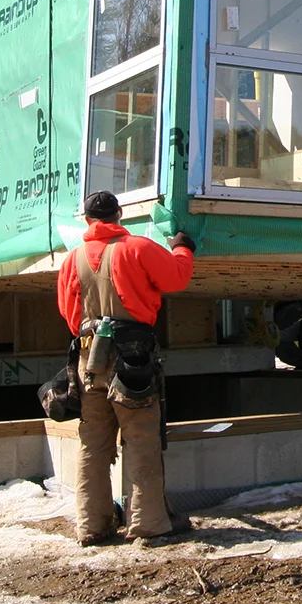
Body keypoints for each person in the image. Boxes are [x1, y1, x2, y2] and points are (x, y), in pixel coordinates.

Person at [57, 190, 196, 547]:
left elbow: (71, 317)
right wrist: (183, 247)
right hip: (132, 359)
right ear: (120, 214)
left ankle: (92, 526)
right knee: (141, 439)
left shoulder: (72, 259)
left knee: (93, 443)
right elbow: (177, 278)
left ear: (87, 220)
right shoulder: (137, 248)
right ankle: (149, 523)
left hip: (90, 361)